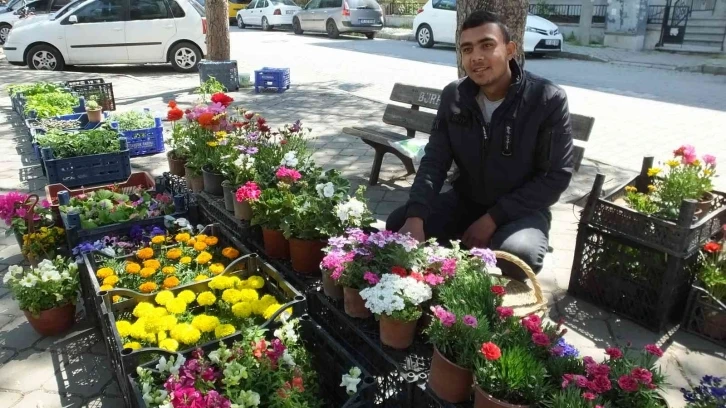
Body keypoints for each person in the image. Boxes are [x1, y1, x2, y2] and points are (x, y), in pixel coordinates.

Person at [386, 10, 574, 280]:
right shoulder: (455, 96)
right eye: (467, 49)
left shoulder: (546, 99)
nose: (476, 57)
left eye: (487, 45)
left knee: (517, 256)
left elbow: (556, 176)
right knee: (399, 224)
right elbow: (435, 160)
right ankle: (432, 291)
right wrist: (416, 214)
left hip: (521, 211)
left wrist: (493, 219)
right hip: (466, 200)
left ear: (510, 50)